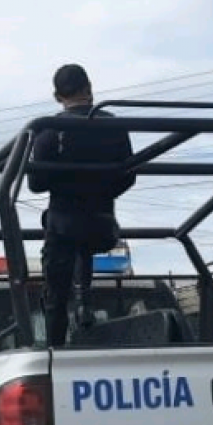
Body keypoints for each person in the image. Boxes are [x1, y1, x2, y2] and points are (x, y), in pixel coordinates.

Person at [28, 64, 136, 347]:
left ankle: (55, 344)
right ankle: (85, 308)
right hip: (103, 225)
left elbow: (36, 183)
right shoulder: (112, 124)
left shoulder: (48, 129)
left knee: (55, 295)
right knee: (82, 241)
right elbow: (128, 176)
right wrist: (100, 190)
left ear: (56, 96)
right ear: (89, 88)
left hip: (63, 228)